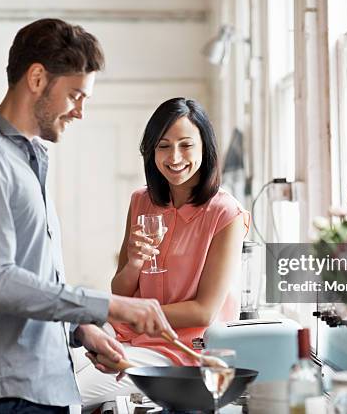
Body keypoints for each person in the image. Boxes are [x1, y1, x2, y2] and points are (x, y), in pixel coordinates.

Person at [0, 18, 175, 414]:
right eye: (75, 95)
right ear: (36, 78)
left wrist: (80, 330)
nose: (80, 112)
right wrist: (111, 305)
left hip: (43, 387)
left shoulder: (28, 157)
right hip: (9, 396)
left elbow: (34, 282)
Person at [74, 97, 249, 409]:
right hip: (124, 333)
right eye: (163, 146)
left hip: (178, 349)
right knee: (48, 366)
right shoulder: (142, 201)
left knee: (64, 392)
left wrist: (136, 314)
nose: (175, 157)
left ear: (205, 148)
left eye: (186, 145)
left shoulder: (226, 213)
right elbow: (121, 289)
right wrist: (135, 261)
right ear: (151, 151)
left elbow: (204, 312)